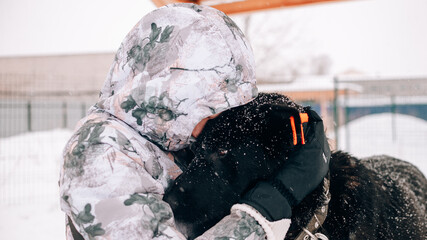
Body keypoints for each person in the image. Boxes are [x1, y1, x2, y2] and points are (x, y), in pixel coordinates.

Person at [59, 3, 330, 240]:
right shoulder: (99, 152)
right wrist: (265, 211)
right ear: (171, 93)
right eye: (209, 109)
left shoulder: (169, 137)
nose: (214, 123)